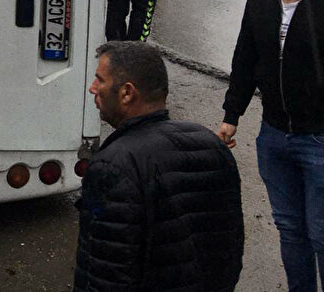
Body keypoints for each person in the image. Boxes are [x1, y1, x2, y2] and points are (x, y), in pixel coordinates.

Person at [75, 41, 243, 291]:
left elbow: (105, 273)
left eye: (100, 80)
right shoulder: (212, 146)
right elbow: (230, 249)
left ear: (127, 93)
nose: (92, 88)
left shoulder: (112, 167)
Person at [219, 0, 324, 291]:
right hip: (274, 138)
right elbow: (244, 61)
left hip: (319, 141)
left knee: (322, 233)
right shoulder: (260, 2)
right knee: (290, 228)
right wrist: (232, 116)